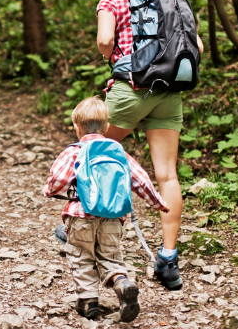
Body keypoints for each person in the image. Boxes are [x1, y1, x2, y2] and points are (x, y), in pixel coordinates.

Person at [95, 0, 204, 291]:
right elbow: (197, 47)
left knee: (93, 151)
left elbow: (105, 39)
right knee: (167, 175)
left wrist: (110, 54)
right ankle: (168, 261)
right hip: (168, 92)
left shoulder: (111, 0)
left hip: (130, 89)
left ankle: (80, 227)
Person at [43, 97, 170, 322]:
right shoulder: (117, 151)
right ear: (107, 126)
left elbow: (59, 179)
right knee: (110, 256)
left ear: (76, 127)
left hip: (80, 216)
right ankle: (121, 283)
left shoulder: (75, 151)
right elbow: (141, 179)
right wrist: (158, 203)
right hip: (113, 218)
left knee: (81, 256)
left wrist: (49, 190)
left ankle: (89, 302)